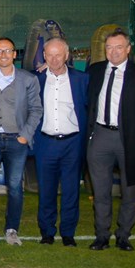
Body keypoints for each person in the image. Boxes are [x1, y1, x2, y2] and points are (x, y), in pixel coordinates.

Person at [85, 28, 135, 251]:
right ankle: (102, 236)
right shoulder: (95, 71)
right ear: (105, 50)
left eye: (119, 47)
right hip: (99, 137)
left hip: (131, 141)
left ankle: (124, 236)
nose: (114, 52)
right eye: (109, 47)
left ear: (128, 49)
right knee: (100, 192)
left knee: (130, 191)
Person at [0, 37, 41, 247]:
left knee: (14, 187)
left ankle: (12, 230)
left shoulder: (28, 79)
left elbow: (36, 109)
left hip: (16, 140)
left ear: (15, 54)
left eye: (8, 51)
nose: (3, 55)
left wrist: (25, 135)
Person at [34, 37, 89, 246]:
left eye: (59, 54)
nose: (54, 59)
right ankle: (47, 232)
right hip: (45, 143)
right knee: (46, 190)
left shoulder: (82, 79)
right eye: (50, 54)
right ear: (44, 56)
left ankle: (68, 233)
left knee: (71, 190)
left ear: (67, 55)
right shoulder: (36, 79)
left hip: (73, 143)